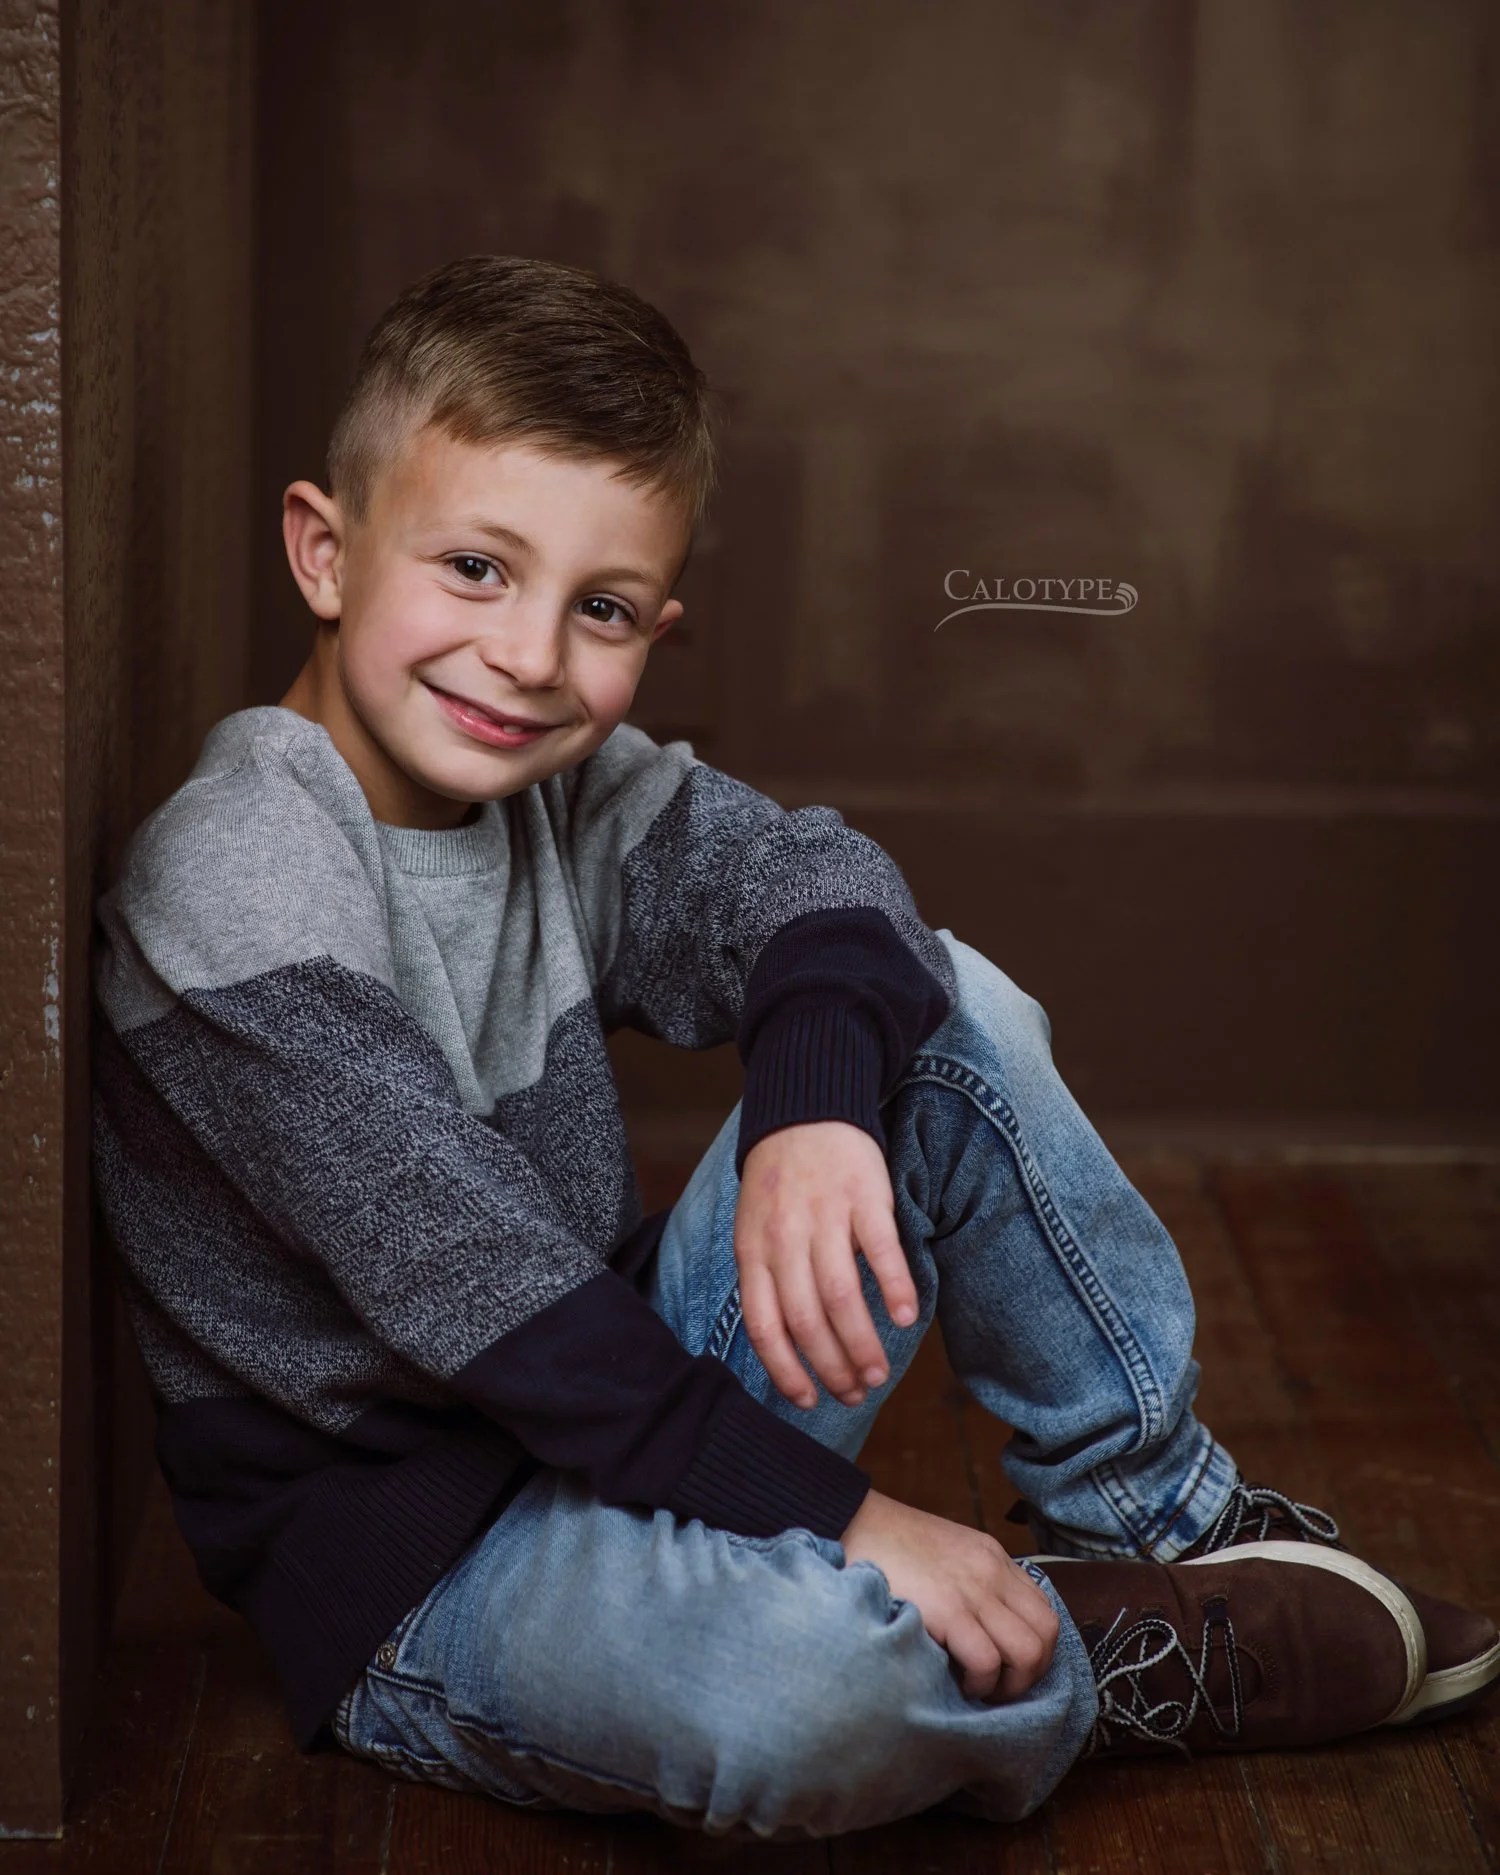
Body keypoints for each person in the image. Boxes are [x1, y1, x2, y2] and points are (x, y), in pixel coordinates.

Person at [91, 256, 1499, 1839]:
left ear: (657, 623)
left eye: (601, 608)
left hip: (620, 1404)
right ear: (325, 549)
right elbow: (481, 1298)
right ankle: (1096, 1649)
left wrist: (811, 1115)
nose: (532, 656)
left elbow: (823, 884)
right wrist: (855, 1515)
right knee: (804, 1696)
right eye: (477, 568)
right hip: (422, 1567)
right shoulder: (234, 885)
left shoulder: (561, 783)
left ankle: (1169, 1525)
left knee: (938, 1004)